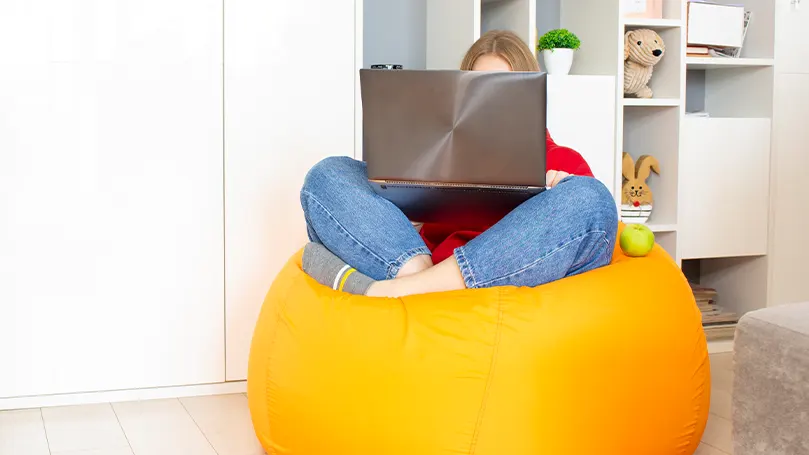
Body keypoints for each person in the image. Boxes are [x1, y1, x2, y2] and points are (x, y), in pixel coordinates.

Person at [300, 30, 618, 298]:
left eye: (504, 89)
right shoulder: (438, 155)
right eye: (479, 88)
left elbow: (579, 240)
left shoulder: (563, 161)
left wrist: (558, 189)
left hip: (504, 277)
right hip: (423, 266)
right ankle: (418, 281)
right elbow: (401, 223)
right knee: (328, 175)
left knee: (591, 198)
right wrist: (400, 199)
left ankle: (398, 292)